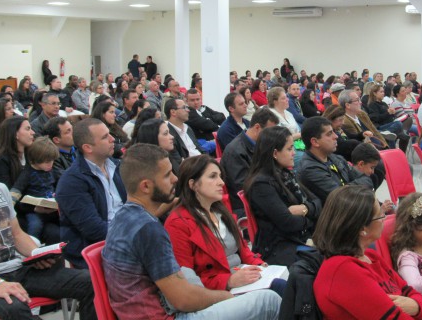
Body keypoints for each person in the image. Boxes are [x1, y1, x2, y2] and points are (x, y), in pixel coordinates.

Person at [103, 144, 282, 320]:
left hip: (152, 309)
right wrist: (228, 296)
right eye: (167, 175)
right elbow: (183, 300)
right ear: (146, 186)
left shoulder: (124, 218)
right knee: (269, 301)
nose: (175, 179)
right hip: (168, 315)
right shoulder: (150, 229)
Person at [0, 137, 98, 320]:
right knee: (14, 308)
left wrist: (37, 254)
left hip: (17, 270)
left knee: (91, 282)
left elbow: (17, 234)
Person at [166, 155, 286, 297]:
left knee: (293, 280)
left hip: (241, 276)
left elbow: (243, 250)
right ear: (193, 184)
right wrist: (228, 281)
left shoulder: (220, 210)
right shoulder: (178, 224)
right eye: (213, 176)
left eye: (220, 176)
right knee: (280, 290)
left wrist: (258, 264)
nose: (221, 182)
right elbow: (186, 281)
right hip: (217, 292)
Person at [313, 185, 422, 320]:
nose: (384, 218)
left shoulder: (371, 256)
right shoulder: (343, 270)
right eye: (379, 215)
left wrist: (417, 306)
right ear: (362, 229)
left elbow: (410, 291)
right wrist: (418, 307)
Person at [244, 126, 321, 266]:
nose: (294, 153)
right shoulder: (261, 184)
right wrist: (311, 217)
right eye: (289, 149)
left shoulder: (286, 174)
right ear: (275, 153)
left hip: (301, 235)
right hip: (280, 246)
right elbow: (288, 222)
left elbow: (317, 201)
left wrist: (304, 209)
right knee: (328, 258)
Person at [56, 118, 126, 268]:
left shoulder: (116, 167)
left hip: (123, 238)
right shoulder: (72, 181)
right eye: (105, 137)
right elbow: (94, 230)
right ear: (88, 148)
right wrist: (132, 234)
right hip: (97, 250)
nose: (112, 139)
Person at [298, 117, 371, 205]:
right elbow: (341, 198)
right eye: (329, 134)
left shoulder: (335, 158)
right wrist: (357, 188)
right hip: (342, 212)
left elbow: (366, 179)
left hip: (354, 206)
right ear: (315, 142)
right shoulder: (310, 169)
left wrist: (347, 188)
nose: (336, 136)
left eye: (333, 132)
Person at [220, 107, 279, 214]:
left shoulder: (261, 144)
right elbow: (243, 187)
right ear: (257, 127)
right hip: (246, 205)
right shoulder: (235, 151)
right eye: (269, 132)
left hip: (264, 193)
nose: (272, 137)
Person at [9, 136, 60, 241]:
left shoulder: (51, 171)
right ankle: (33, 243)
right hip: (34, 210)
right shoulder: (27, 173)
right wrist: (10, 204)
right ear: (35, 160)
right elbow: (16, 190)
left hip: (51, 207)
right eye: (47, 162)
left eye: (52, 161)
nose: (50, 164)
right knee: (35, 225)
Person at [0, 117, 35, 190]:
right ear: (15, 134)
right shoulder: (1, 161)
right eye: (28, 129)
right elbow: (6, 191)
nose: (33, 132)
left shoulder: (31, 155)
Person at [165, 98, 205, 170]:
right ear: (173, 112)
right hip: (191, 169)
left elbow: (198, 148)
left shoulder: (187, 128)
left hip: (201, 163)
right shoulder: (168, 134)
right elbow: (179, 163)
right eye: (184, 107)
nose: (188, 110)